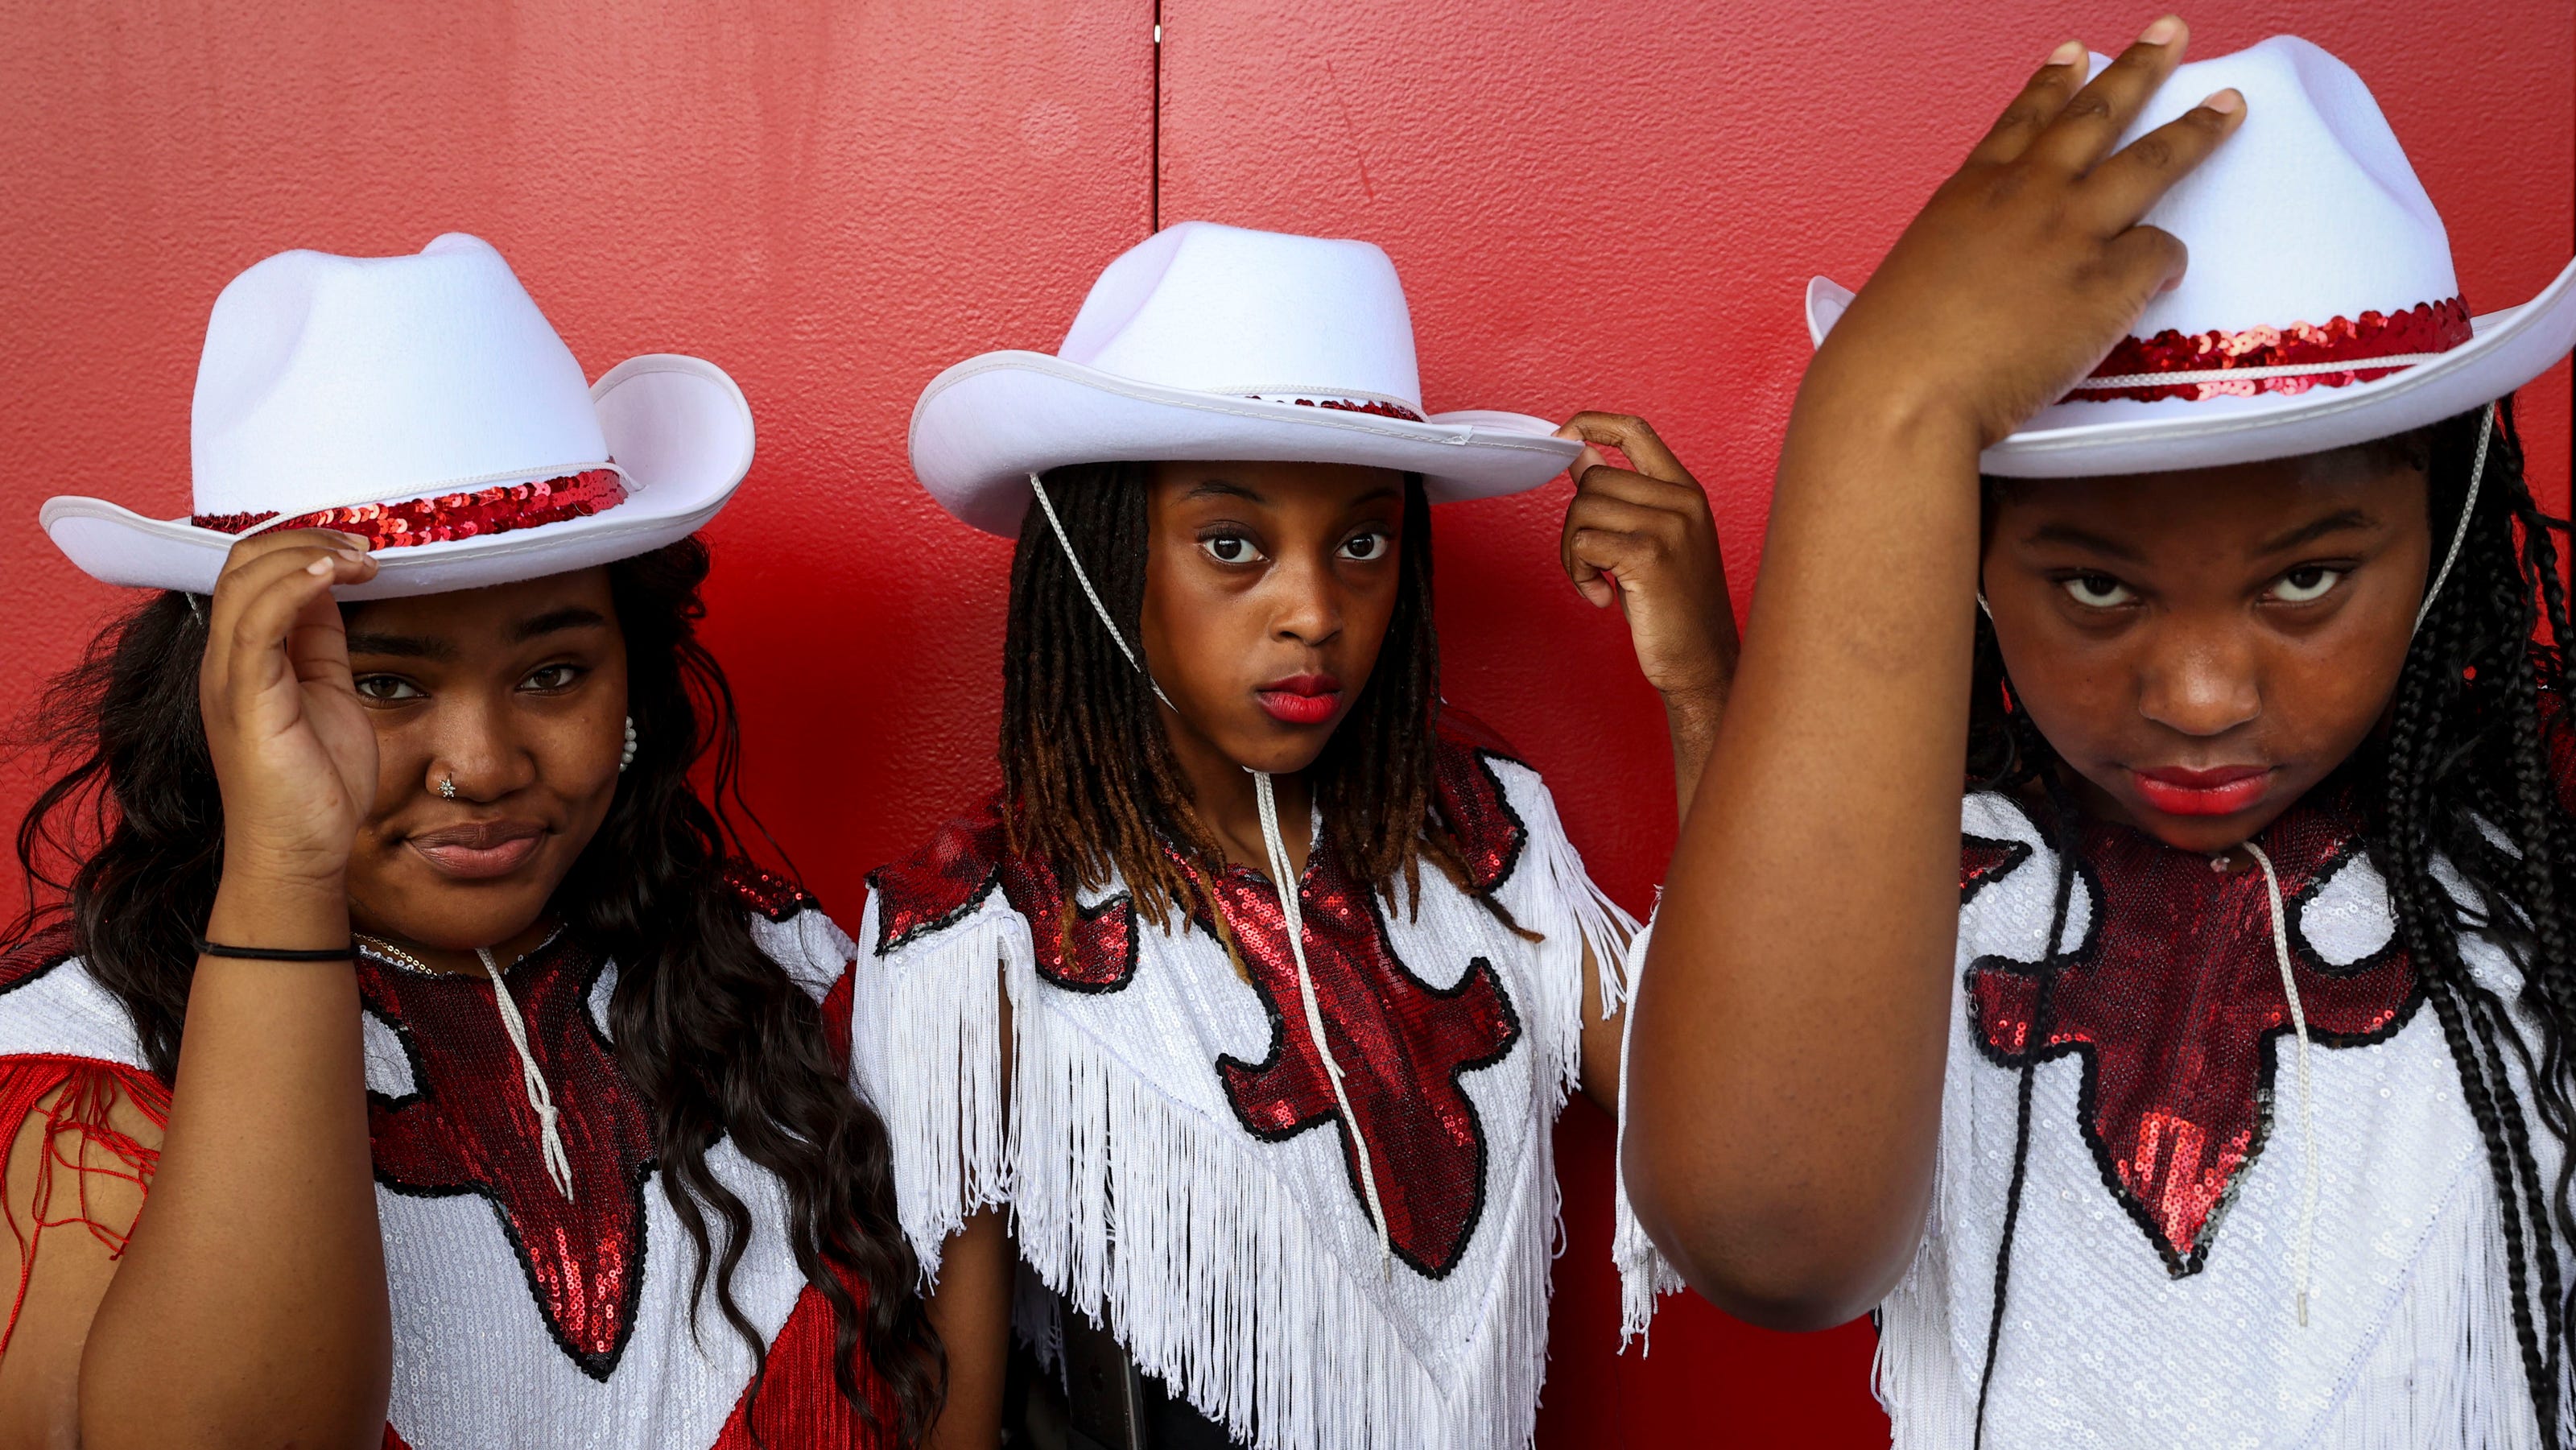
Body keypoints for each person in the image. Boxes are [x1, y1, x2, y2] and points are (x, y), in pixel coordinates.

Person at [1599, 23, 2576, 1448]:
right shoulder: (1934, 894)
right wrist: (1887, 413)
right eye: (2096, 586)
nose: (2197, 698)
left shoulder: (2534, 873)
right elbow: (1772, 1234)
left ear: (2440, 534)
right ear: (1971, 567)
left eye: (2306, 578)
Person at [1, 234, 943, 1448]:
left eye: (554, 671)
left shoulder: (802, 987)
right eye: (384, 685)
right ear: (229, 702)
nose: (485, 765)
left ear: (636, 684)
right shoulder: (82, 1065)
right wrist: (281, 870)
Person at [858, 220, 1737, 1449]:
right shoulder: (981, 938)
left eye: (1364, 542)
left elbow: (1746, 1139)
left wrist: (1702, 690)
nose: (1317, 612)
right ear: (1104, 559)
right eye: (1234, 545)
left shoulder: (1476, 833)